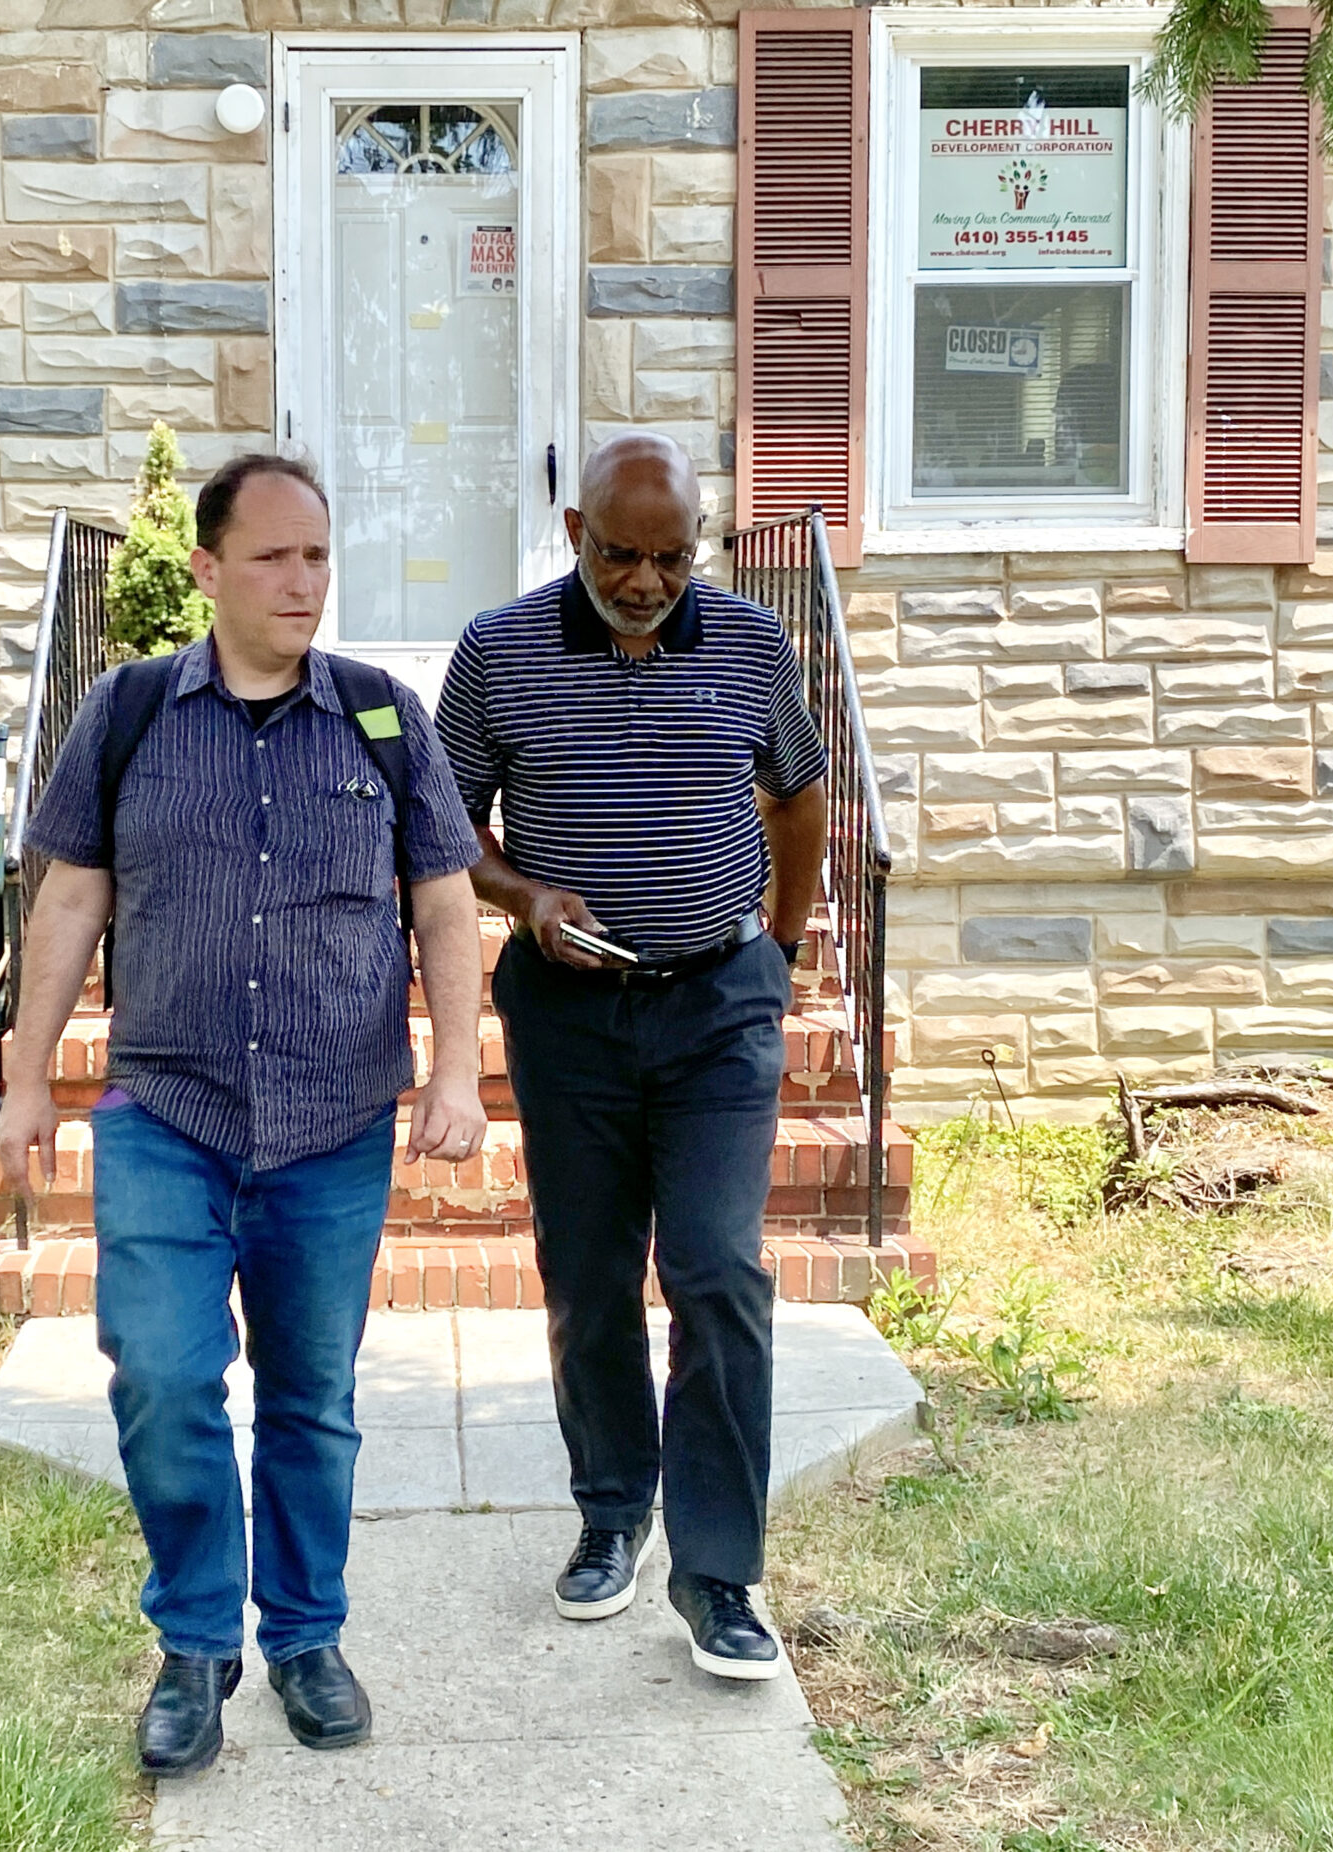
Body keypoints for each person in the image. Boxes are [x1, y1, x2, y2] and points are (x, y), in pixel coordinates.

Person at [0, 453, 488, 1777]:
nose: (301, 583)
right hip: (168, 1110)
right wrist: (29, 1074)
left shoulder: (385, 718)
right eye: (272, 558)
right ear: (207, 568)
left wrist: (455, 1071)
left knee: (313, 1397)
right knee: (162, 1378)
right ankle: (196, 1640)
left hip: (330, 1124)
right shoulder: (132, 711)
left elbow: (444, 899)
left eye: (318, 557)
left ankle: (307, 1638)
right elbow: (67, 900)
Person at [433, 433, 830, 1681]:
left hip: (716, 1005)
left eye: (672, 557)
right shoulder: (497, 653)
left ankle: (718, 1574)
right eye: (622, 555)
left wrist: (778, 940)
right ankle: (612, 1511)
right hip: (570, 1015)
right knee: (590, 1272)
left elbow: (799, 793)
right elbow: (445, 828)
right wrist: (524, 895)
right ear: (572, 534)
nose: (649, 581)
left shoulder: (752, 645)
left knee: (715, 1271)